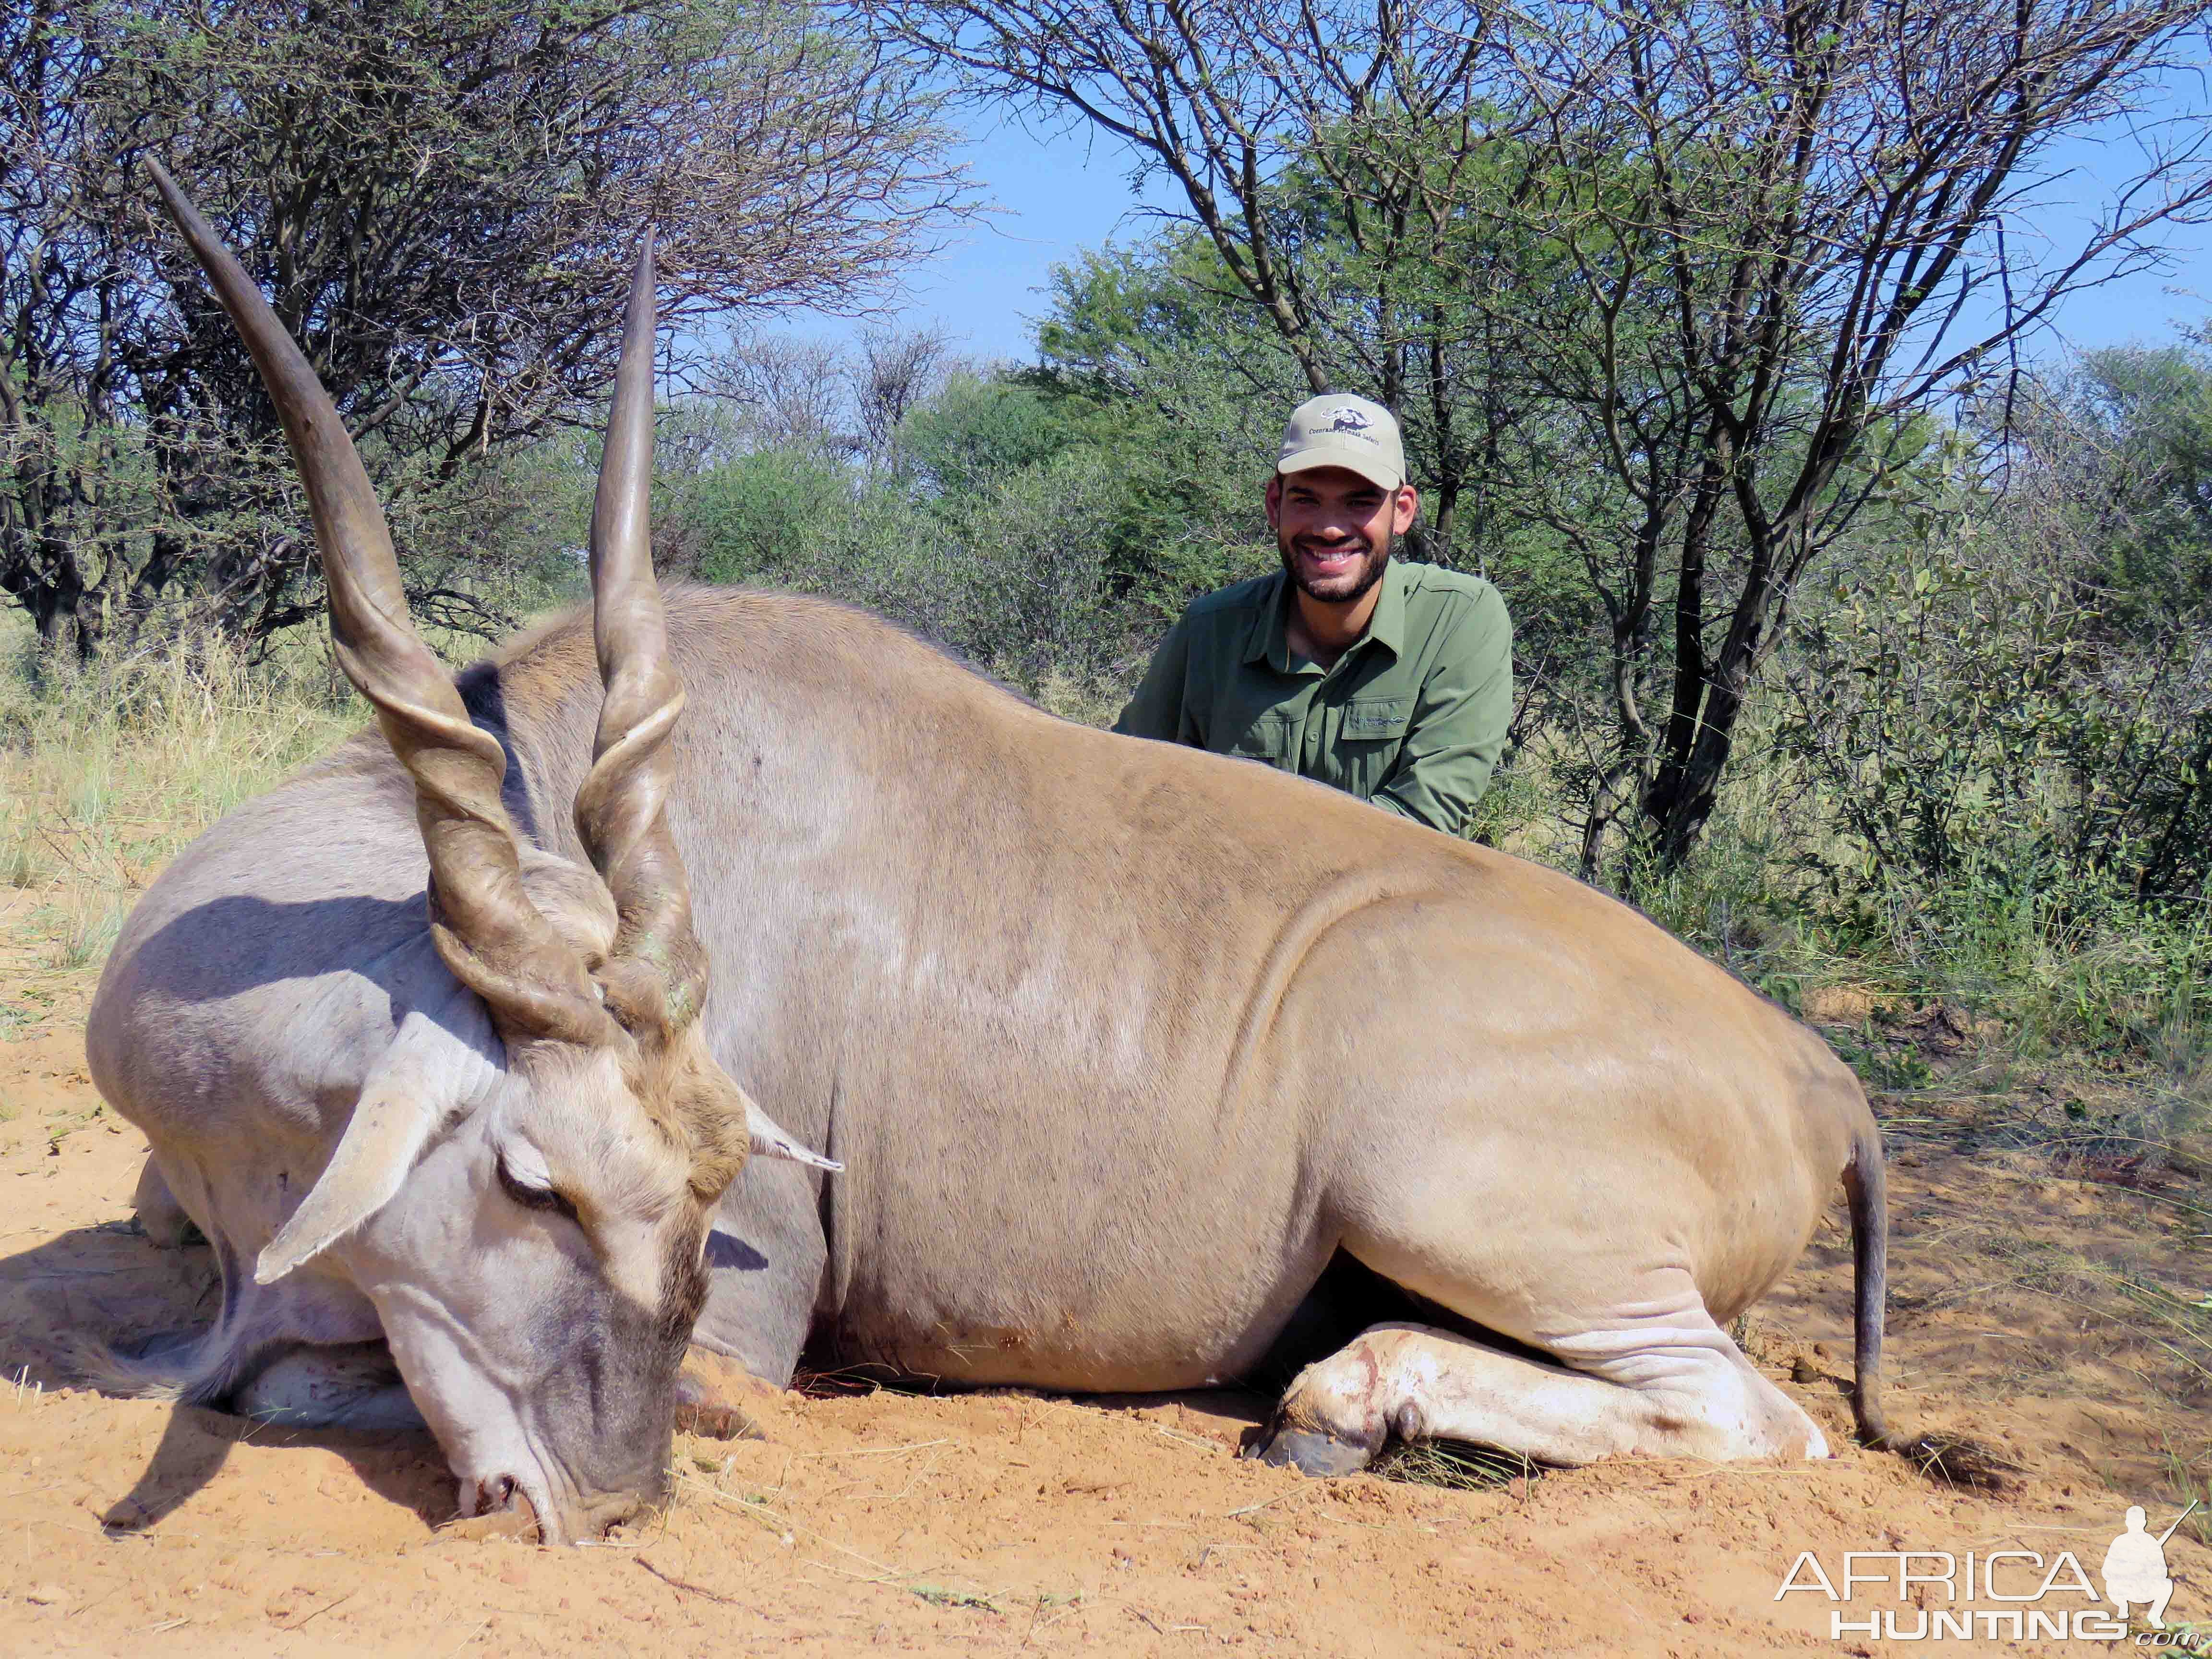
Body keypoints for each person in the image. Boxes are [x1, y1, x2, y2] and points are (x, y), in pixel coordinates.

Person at [1113, 393, 1512, 838]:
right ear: (1274, 505)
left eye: (1359, 503)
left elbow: (1423, 824)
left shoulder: (1460, 619)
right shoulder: (1209, 630)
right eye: (1306, 500)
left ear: (1401, 512)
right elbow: (1129, 783)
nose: (1330, 528)